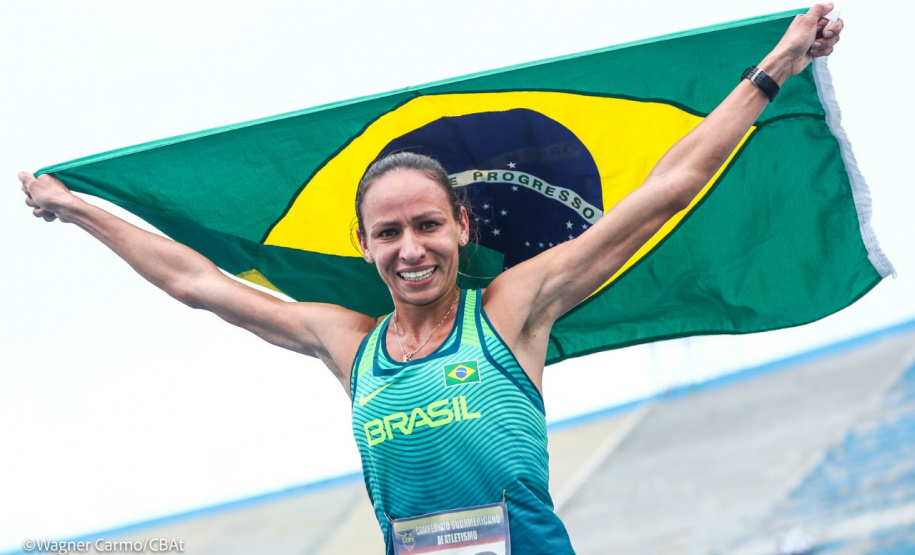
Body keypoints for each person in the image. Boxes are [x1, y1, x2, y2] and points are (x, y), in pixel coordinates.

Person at [19, 5, 843, 553]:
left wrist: (772, 71)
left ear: (461, 227)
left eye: (424, 225)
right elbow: (196, 282)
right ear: (364, 244)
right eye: (388, 232)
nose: (410, 247)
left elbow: (663, 191)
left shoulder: (515, 309)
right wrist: (77, 208)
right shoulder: (347, 343)